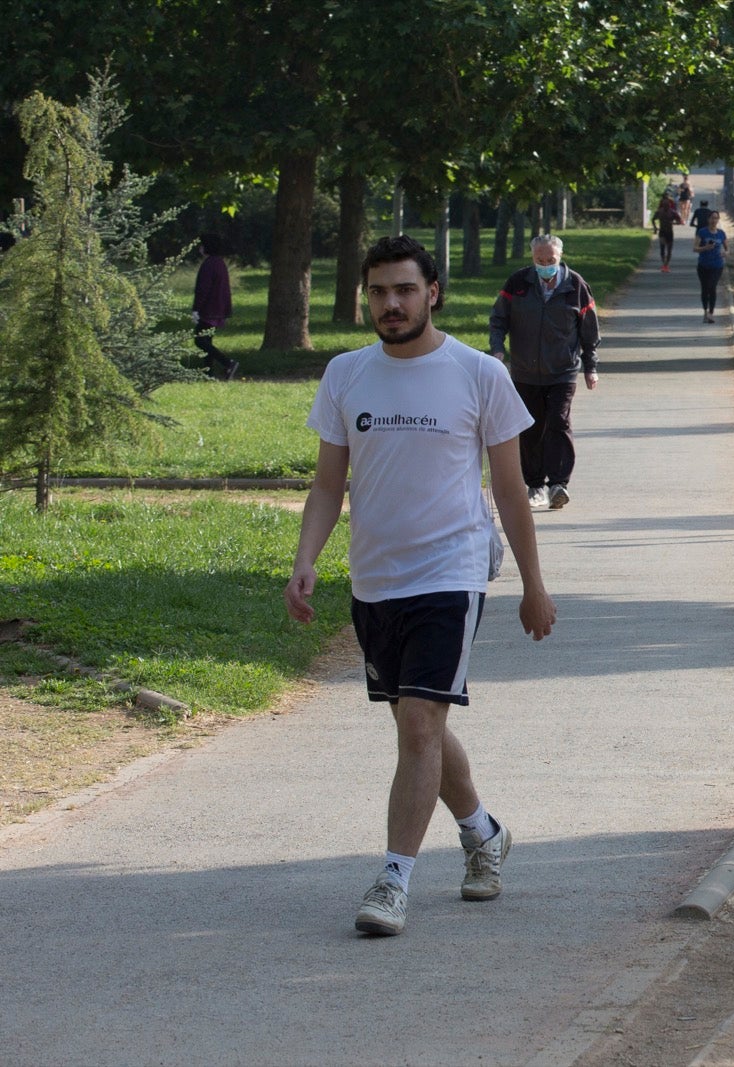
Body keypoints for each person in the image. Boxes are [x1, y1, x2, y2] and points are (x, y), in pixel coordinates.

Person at [284, 234, 557, 938]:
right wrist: (305, 557)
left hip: (452, 571)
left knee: (417, 724)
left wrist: (534, 584)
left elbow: (510, 487)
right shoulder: (347, 374)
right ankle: (483, 832)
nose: (391, 303)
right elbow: (326, 483)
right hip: (376, 578)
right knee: (424, 724)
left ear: (431, 292)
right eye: (378, 291)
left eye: (404, 289)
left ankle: (393, 880)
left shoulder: (476, 373)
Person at [489, 234, 601, 511]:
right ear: (532, 258)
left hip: (562, 370)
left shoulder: (575, 285)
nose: (545, 265)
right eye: (540, 260)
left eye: (550, 260)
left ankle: (559, 484)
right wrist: (497, 349)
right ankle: (536, 484)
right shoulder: (518, 283)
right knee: (530, 427)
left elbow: (589, 330)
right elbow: (499, 318)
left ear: (560, 257)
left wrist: (591, 367)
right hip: (525, 371)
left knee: (558, 421)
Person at [192, 232, 238, 380]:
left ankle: (228, 363)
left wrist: (196, 309)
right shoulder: (219, 263)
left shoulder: (209, 264)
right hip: (218, 307)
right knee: (207, 340)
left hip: (209, 309)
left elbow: (203, 289)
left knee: (200, 340)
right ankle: (208, 373)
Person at [694, 209, 728, 323]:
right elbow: (695, 248)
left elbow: (728, 249)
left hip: (717, 265)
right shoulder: (702, 232)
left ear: (718, 220)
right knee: (705, 288)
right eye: (712, 218)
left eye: (716, 218)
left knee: (712, 287)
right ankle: (705, 311)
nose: (714, 220)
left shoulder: (721, 233)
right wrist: (705, 248)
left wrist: (726, 253)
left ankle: (711, 313)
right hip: (703, 265)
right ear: (708, 219)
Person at [652, 192, 680, 272]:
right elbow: (653, 219)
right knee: (662, 248)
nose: (666, 206)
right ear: (662, 205)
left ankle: (666, 265)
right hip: (662, 231)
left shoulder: (672, 212)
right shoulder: (659, 212)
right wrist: (655, 228)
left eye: (667, 205)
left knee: (669, 249)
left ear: (669, 205)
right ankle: (664, 265)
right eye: (664, 205)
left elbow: (679, 221)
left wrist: (673, 223)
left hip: (669, 232)